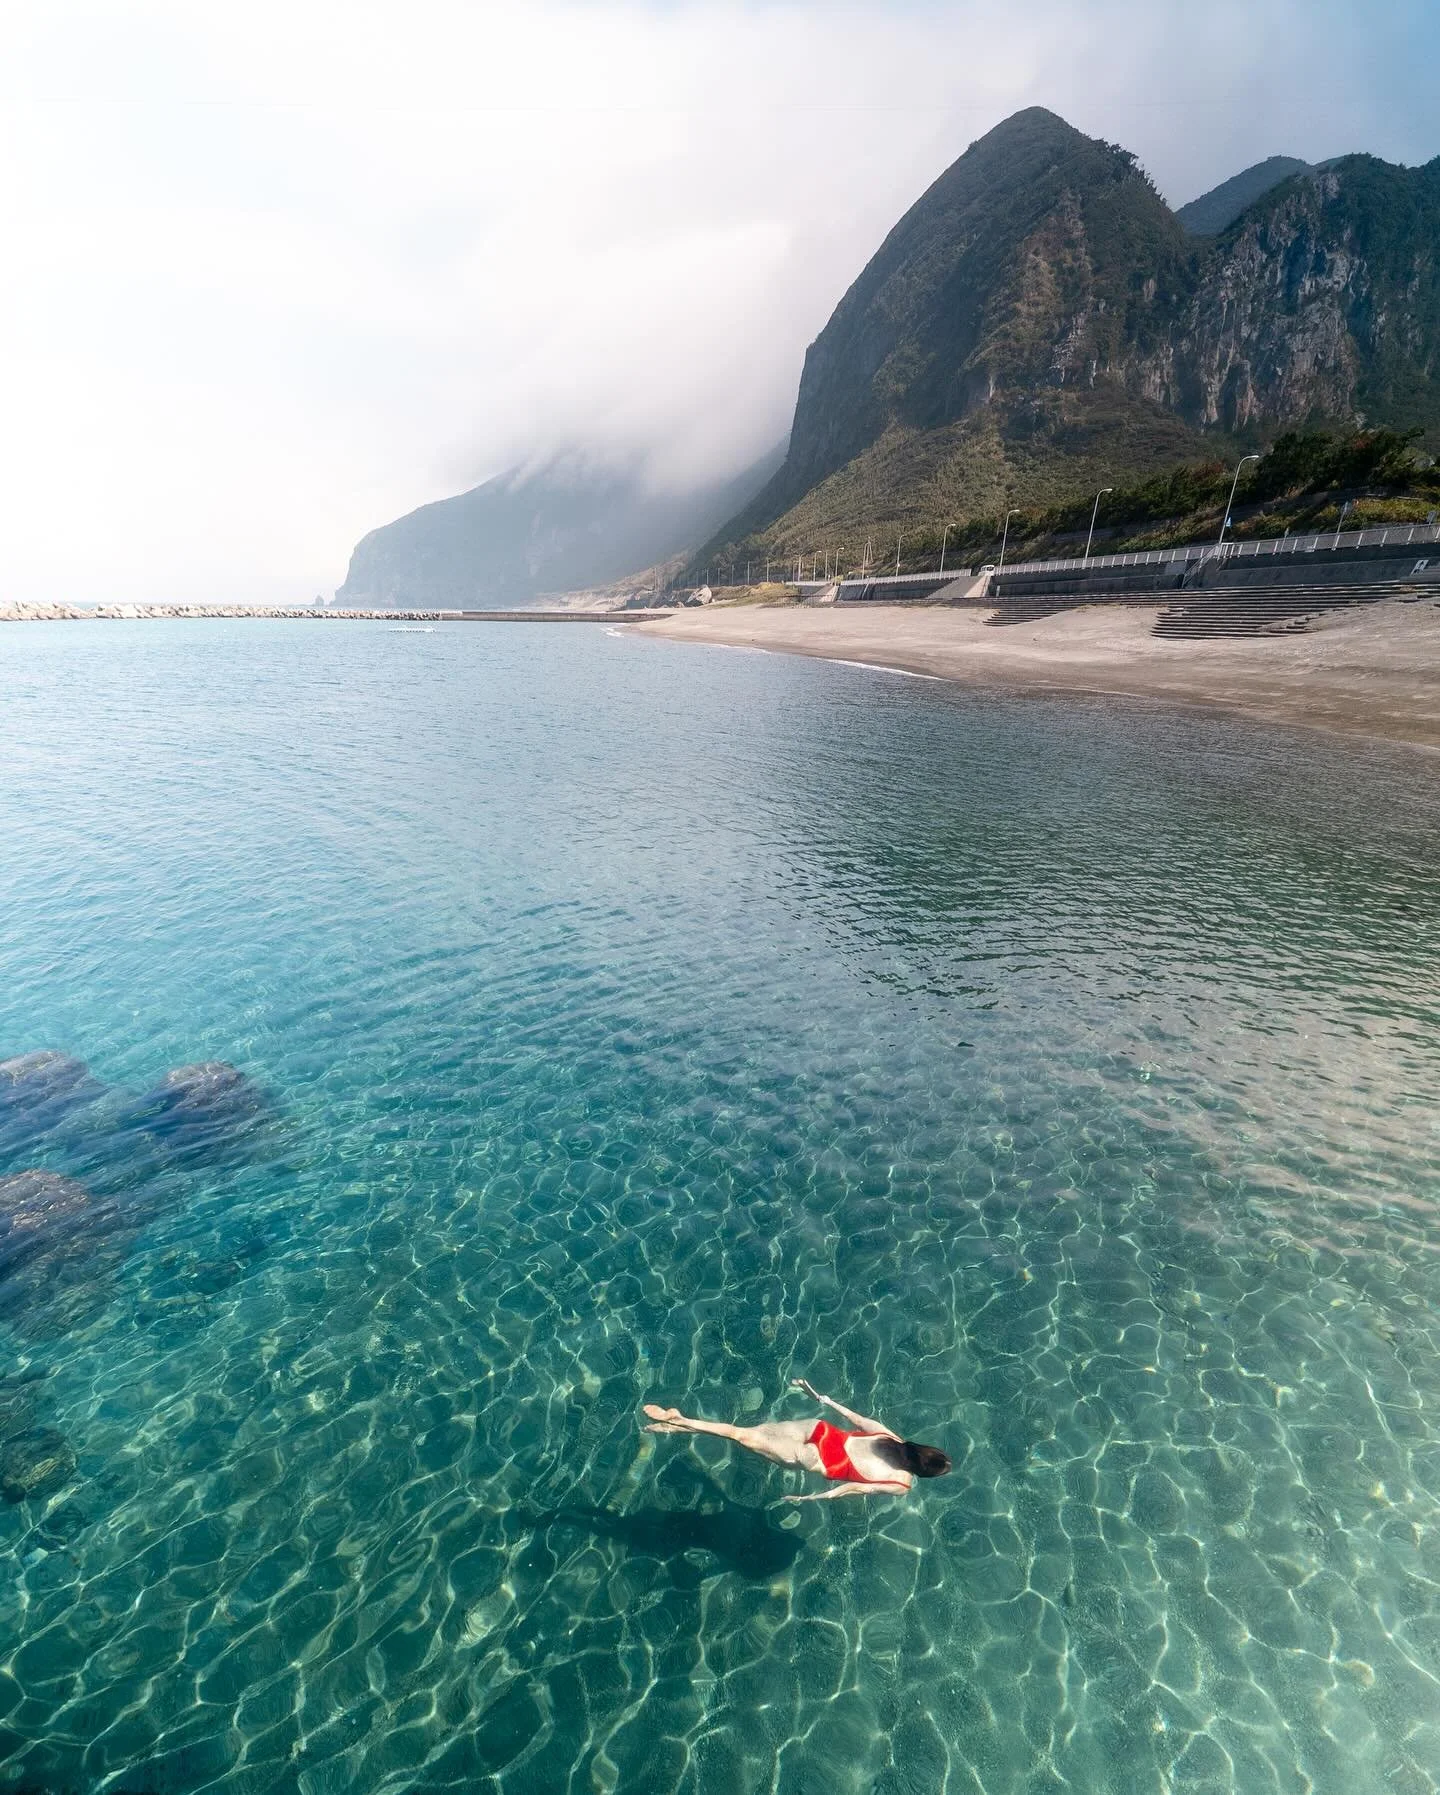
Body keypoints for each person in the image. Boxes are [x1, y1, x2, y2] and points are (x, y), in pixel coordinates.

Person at [643, 1376, 951, 1501]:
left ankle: (678, 1424)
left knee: (742, 1431)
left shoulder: (893, 1438)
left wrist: (821, 1397)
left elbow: (856, 1418)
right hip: (816, 1459)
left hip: (819, 1430)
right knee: (739, 1438)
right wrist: (809, 1499)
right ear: (922, 1473)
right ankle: (679, 1421)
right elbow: (851, 1489)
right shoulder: (901, 1485)